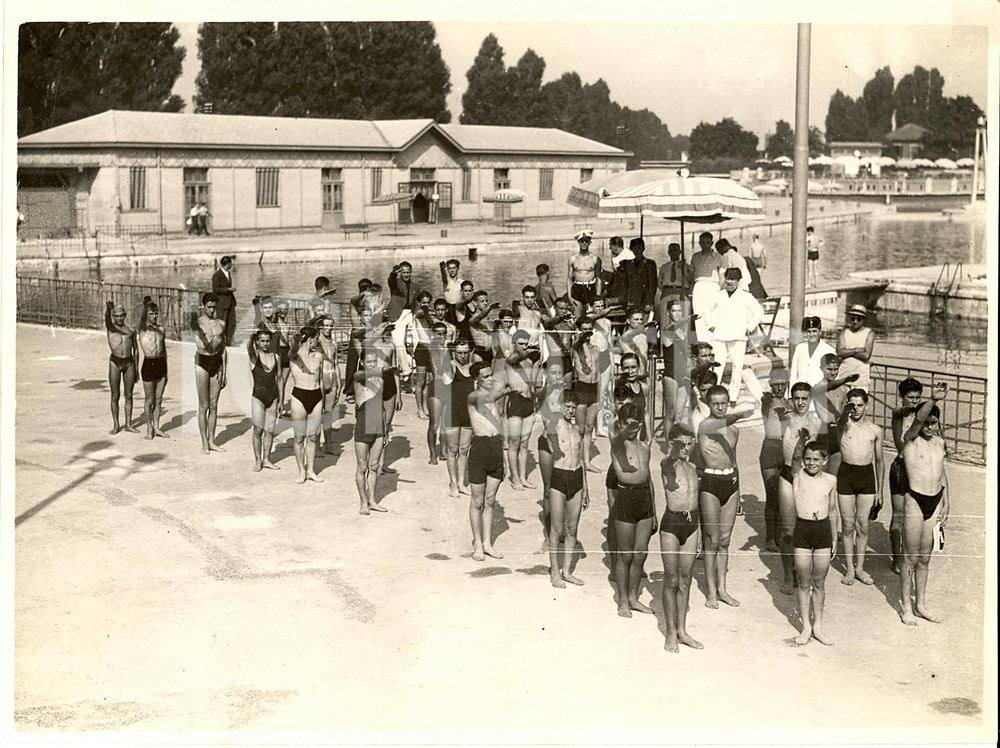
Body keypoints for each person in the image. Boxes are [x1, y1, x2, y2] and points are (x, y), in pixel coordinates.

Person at [697, 385, 754, 608]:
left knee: (725, 540)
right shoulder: (705, 425)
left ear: (728, 402)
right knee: (711, 540)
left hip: (730, 482)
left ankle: (722, 589)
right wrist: (740, 414)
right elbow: (718, 423)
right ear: (708, 405)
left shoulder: (734, 430)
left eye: (723, 403)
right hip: (711, 482)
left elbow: (734, 460)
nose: (720, 407)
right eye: (715, 404)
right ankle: (711, 592)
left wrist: (738, 493)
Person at [898, 382, 949, 626]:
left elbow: (941, 472)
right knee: (910, 556)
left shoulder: (939, 443)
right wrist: (934, 399)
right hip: (915, 500)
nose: (929, 426)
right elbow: (916, 420)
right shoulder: (910, 439)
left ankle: (921, 604)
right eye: (926, 422)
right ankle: (906, 607)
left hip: (935, 500)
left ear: (938, 424)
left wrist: (946, 501)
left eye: (933, 423)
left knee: (925, 558)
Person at [789, 436, 838, 646]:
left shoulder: (830, 481)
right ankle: (805, 627)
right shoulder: (798, 477)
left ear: (824, 460)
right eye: (808, 459)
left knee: (819, 581)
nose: (811, 463)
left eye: (816, 459)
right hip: (803, 529)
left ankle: (818, 626)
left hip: (823, 531)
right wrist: (802, 439)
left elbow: (834, 510)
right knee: (803, 581)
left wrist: (835, 538)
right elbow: (794, 461)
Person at [610, 400, 657, 616]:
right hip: (626, 497)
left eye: (635, 424)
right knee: (625, 555)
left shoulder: (644, 447)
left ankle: (633, 597)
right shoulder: (618, 444)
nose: (632, 428)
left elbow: (649, 479)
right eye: (628, 424)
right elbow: (617, 436)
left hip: (644, 498)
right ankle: (622, 601)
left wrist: (654, 511)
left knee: (640, 554)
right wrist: (623, 430)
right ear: (621, 424)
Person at [659, 423, 703, 652]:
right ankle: (670, 632)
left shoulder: (694, 466)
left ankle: (682, 631)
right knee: (671, 580)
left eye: (689, 444)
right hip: (672, 524)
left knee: (686, 580)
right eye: (681, 444)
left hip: (692, 523)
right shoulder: (668, 464)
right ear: (672, 445)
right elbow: (668, 468)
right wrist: (672, 452)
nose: (686, 448)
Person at [777, 382, 824, 594]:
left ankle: (806, 574)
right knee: (787, 531)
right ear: (791, 398)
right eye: (796, 398)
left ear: (810, 399)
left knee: (807, 529)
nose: (801, 402)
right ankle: (788, 574)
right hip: (787, 475)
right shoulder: (785, 419)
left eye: (804, 398)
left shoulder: (816, 422)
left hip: (806, 478)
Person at [836, 388, 884, 586]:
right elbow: (839, 423)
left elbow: (880, 462)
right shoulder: (843, 426)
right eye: (852, 405)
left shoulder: (875, 430)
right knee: (847, 525)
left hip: (866, 477)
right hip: (846, 475)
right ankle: (849, 568)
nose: (855, 409)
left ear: (867, 405)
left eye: (859, 405)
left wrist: (880, 491)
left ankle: (860, 568)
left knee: (863, 525)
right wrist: (844, 412)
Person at [467, 361, 513, 561]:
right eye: (485, 376)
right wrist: (509, 389)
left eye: (490, 375)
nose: (489, 379)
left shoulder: (492, 397)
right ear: (475, 379)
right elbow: (488, 396)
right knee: (477, 501)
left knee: (490, 501)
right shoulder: (473, 396)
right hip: (479, 447)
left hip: (495, 445)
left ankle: (487, 543)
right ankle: (477, 543)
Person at [547, 389, 589, 588]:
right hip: (559, 476)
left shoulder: (577, 429)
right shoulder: (554, 424)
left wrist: (586, 488)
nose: (571, 410)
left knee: (572, 528)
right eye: (567, 406)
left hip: (576, 477)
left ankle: (567, 571)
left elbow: (580, 458)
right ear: (560, 405)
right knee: (556, 529)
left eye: (573, 407)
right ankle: (554, 572)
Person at [704, 268, 764, 406]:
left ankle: (733, 396)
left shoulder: (745, 296)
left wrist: (749, 327)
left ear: (738, 281)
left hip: (738, 336)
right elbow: (706, 308)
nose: (729, 282)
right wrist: (711, 324)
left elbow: (759, 311)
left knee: (737, 366)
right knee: (717, 365)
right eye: (727, 279)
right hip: (720, 335)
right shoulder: (719, 295)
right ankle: (714, 392)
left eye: (733, 279)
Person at [889, 377, 924, 574]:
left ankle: (912, 557)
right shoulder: (898, 413)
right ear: (902, 397)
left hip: (919, 470)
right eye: (910, 397)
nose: (914, 401)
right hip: (901, 467)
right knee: (899, 516)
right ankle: (897, 559)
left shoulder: (922, 415)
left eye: (917, 397)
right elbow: (902, 411)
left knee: (917, 516)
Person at [289, 325, 331, 484]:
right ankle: (301, 470)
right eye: (316, 337)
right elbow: (292, 348)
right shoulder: (295, 355)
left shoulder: (318, 356)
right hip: (299, 395)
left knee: (313, 437)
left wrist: (323, 401)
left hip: (316, 396)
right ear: (311, 338)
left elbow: (320, 380)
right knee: (299, 437)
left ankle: (311, 470)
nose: (318, 340)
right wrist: (297, 341)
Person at [353, 348, 392, 514]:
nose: (372, 365)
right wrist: (384, 369)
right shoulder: (358, 377)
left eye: (374, 362)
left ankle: (372, 500)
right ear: (362, 362)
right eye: (368, 361)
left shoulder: (380, 381)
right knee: (362, 466)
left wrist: (386, 430)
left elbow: (383, 408)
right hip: (363, 423)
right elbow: (365, 374)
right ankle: (363, 502)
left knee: (374, 466)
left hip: (378, 425)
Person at [503, 330, 541, 491]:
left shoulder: (529, 362)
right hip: (515, 403)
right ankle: (515, 478)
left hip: (528, 403)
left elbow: (533, 383)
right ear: (514, 344)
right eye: (521, 344)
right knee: (514, 443)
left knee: (525, 443)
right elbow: (515, 358)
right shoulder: (510, 360)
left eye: (526, 343)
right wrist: (528, 353)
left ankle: (523, 477)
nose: (524, 347)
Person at [759, 368, 791, 551]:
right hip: (770, 448)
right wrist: (766, 400)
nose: (779, 387)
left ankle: (779, 534)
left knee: (783, 496)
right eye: (776, 384)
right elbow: (764, 404)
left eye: (783, 384)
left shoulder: (790, 403)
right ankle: (770, 537)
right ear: (771, 385)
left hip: (785, 448)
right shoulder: (768, 401)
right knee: (772, 497)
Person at [537, 357, 566, 551]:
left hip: (565, 444)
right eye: (552, 373)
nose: (556, 376)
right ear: (546, 374)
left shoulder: (569, 393)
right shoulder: (542, 393)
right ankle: (549, 536)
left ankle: (561, 529)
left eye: (559, 372)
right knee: (548, 489)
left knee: (566, 488)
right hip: (547, 443)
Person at [192, 293, 227, 453]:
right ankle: (204, 442)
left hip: (216, 362)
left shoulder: (221, 323)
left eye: (214, 307)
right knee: (203, 405)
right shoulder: (198, 322)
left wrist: (224, 371)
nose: (212, 310)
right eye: (209, 307)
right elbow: (196, 329)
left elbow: (223, 348)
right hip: (202, 362)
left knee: (214, 405)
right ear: (203, 306)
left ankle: (212, 441)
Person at [444, 339, 477, 498]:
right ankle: (453, 483)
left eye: (465, 352)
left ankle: (461, 483)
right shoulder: (450, 366)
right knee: (453, 450)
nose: (463, 356)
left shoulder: (473, 368)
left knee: (464, 449)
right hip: (452, 412)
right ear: (453, 352)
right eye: (459, 352)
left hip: (468, 413)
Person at [572, 317, 604, 474]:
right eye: (584, 329)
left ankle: (586, 461)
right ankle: (576, 461)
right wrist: (581, 338)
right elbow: (578, 345)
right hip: (582, 387)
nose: (587, 332)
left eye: (589, 329)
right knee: (580, 427)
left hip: (594, 388)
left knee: (590, 427)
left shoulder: (596, 348)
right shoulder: (576, 348)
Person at [690, 231, 726, 364]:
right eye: (702, 242)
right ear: (699, 243)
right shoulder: (695, 257)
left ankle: (713, 351)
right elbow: (691, 274)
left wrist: (719, 294)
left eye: (707, 242)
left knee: (712, 320)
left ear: (711, 243)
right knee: (699, 319)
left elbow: (722, 278)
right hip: (699, 287)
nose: (704, 245)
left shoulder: (719, 257)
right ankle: (702, 352)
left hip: (713, 287)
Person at [247, 327, 280, 472]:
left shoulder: (276, 357)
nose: (265, 344)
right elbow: (249, 349)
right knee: (258, 429)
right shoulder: (255, 357)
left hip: (273, 396)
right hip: (258, 397)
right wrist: (250, 337)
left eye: (268, 341)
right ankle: (258, 460)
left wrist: (281, 399)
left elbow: (279, 379)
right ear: (257, 342)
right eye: (262, 341)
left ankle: (266, 459)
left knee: (270, 430)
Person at [105, 300, 138, 435]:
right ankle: (116, 424)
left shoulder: (130, 330)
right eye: (116, 316)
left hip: (128, 363)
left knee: (129, 395)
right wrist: (108, 310)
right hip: (115, 362)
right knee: (115, 395)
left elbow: (136, 350)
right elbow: (106, 319)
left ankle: (129, 424)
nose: (119, 318)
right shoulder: (110, 328)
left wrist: (136, 369)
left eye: (121, 316)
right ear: (113, 317)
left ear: (125, 316)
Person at [137, 297, 168, 440]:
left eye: (156, 314)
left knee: (159, 399)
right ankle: (149, 429)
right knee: (149, 400)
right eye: (151, 314)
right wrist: (146, 306)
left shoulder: (161, 329)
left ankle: (157, 427)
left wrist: (166, 371)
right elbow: (142, 318)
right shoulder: (142, 330)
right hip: (149, 364)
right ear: (147, 315)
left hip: (161, 363)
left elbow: (164, 350)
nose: (154, 316)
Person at [314, 315, 342, 456]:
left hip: (332, 377)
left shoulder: (334, 343)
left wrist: (339, 382)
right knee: (318, 413)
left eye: (330, 325)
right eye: (325, 325)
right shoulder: (316, 343)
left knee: (329, 414)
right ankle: (317, 446)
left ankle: (328, 445)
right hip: (321, 377)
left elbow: (335, 362)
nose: (328, 328)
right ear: (320, 327)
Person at [387, 262, 415, 388]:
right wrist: (394, 273)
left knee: (417, 339)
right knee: (398, 342)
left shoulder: (416, 286)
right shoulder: (396, 284)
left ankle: (415, 366)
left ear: (411, 272)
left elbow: (416, 302)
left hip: (411, 314)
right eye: (403, 272)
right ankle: (406, 369)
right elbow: (391, 280)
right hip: (397, 315)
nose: (406, 274)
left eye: (408, 272)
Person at [836, 304, 875, 393]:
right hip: (843, 377)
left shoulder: (869, 333)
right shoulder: (844, 332)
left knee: (859, 405)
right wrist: (857, 350)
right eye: (853, 318)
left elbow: (866, 356)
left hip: (861, 379)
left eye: (858, 319)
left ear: (864, 319)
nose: (855, 321)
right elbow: (839, 352)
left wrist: (847, 351)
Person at [789, 316, 836, 388]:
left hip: (819, 391)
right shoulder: (800, 348)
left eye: (814, 331)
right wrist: (790, 395)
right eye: (809, 331)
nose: (811, 334)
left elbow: (832, 375)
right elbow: (793, 373)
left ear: (820, 332)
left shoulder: (829, 350)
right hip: (800, 392)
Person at [566, 229, 603, 317]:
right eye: (582, 241)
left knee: (592, 317)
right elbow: (569, 279)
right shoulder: (572, 259)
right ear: (578, 242)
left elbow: (598, 279)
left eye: (586, 241)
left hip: (590, 289)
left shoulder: (595, 259)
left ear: (590, 242)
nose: (584, 243)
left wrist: (598, 296)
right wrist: (569, 296)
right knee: (577, 317)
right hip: (577, 289)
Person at [620, 237, 657, 318]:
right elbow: (626, 283)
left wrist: (649, 302)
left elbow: (652, 284)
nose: (637, 250)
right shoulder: (628, 264)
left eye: (639, 248)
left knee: (644, 323)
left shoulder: (650, 264)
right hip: (631, 299)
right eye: (634, 248)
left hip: (644, 299)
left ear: (643, 248)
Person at [657, 243, 692, 324]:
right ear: (668, 252)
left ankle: (682, 336)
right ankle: (666, 335)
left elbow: (690, 280)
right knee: (665, 319)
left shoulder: (686, 266)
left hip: (681, 291)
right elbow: (660, 284)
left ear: (680, 252)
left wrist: (683, 269)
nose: (673, 253)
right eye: (671, 251)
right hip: (667, 292)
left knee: (682, 319)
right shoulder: (664, 267)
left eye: (675, 250)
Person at [211, 256, 237, 346]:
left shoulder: (228, 273)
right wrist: (228, 289)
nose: (232, 265)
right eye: (231, 263)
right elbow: (215, 289)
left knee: (231, 323)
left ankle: (229, 342)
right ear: (228, 264)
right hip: (222, 303)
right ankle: (221, 343)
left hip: (230, 303)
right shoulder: (217, 275)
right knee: (222, 323)